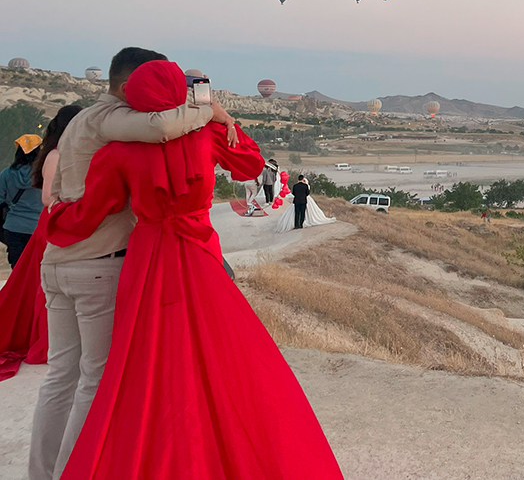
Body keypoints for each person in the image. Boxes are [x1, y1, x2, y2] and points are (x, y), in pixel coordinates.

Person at [45, 61, 343, 480]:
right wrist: (223, 118)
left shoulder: (117, 150)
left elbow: (91, 212)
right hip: (200, 252)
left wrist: (54, 216)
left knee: (147, 361)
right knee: (222, 352)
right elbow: (250, 164)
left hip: (149, 259)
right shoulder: (207, 132)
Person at [29, 47, 238, 480]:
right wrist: (210, 109)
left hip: (58, 262)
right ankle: (72, 472)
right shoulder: (112, 120)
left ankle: (43, 471)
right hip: (97, 261)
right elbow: (163, 128)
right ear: (128, 87)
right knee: (94, 380)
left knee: (60, 378)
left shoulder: (79, 122)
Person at [0, 108, 81, 382]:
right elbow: (48, 197)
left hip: (36, 226)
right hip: (51, 224)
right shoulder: (56, 155)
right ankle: (46, 339)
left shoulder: (68, 152)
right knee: (42, 286)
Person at [1, 134, 44, 267]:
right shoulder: (44, 175)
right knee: (37, 271)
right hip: (39, 229)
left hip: (14, 228)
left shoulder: (6, 174)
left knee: (18, 271)